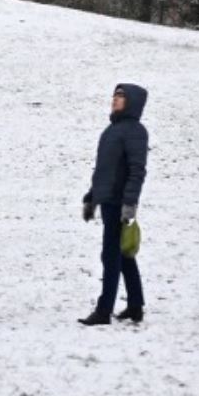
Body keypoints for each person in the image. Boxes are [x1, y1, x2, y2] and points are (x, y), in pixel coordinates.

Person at [79, 83, 148, 326]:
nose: (115, 100)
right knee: (122, 255)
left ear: (132, 102)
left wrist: (130, 203)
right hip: (107, 200)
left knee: (111, 256)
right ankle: (135, 305)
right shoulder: (112, 130)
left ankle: (103, 311)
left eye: (121, 97)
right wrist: (91, 198)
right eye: (115, 96)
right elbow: (103, 171)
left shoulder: (135, 131)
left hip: (119, 203)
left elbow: (137, 171)